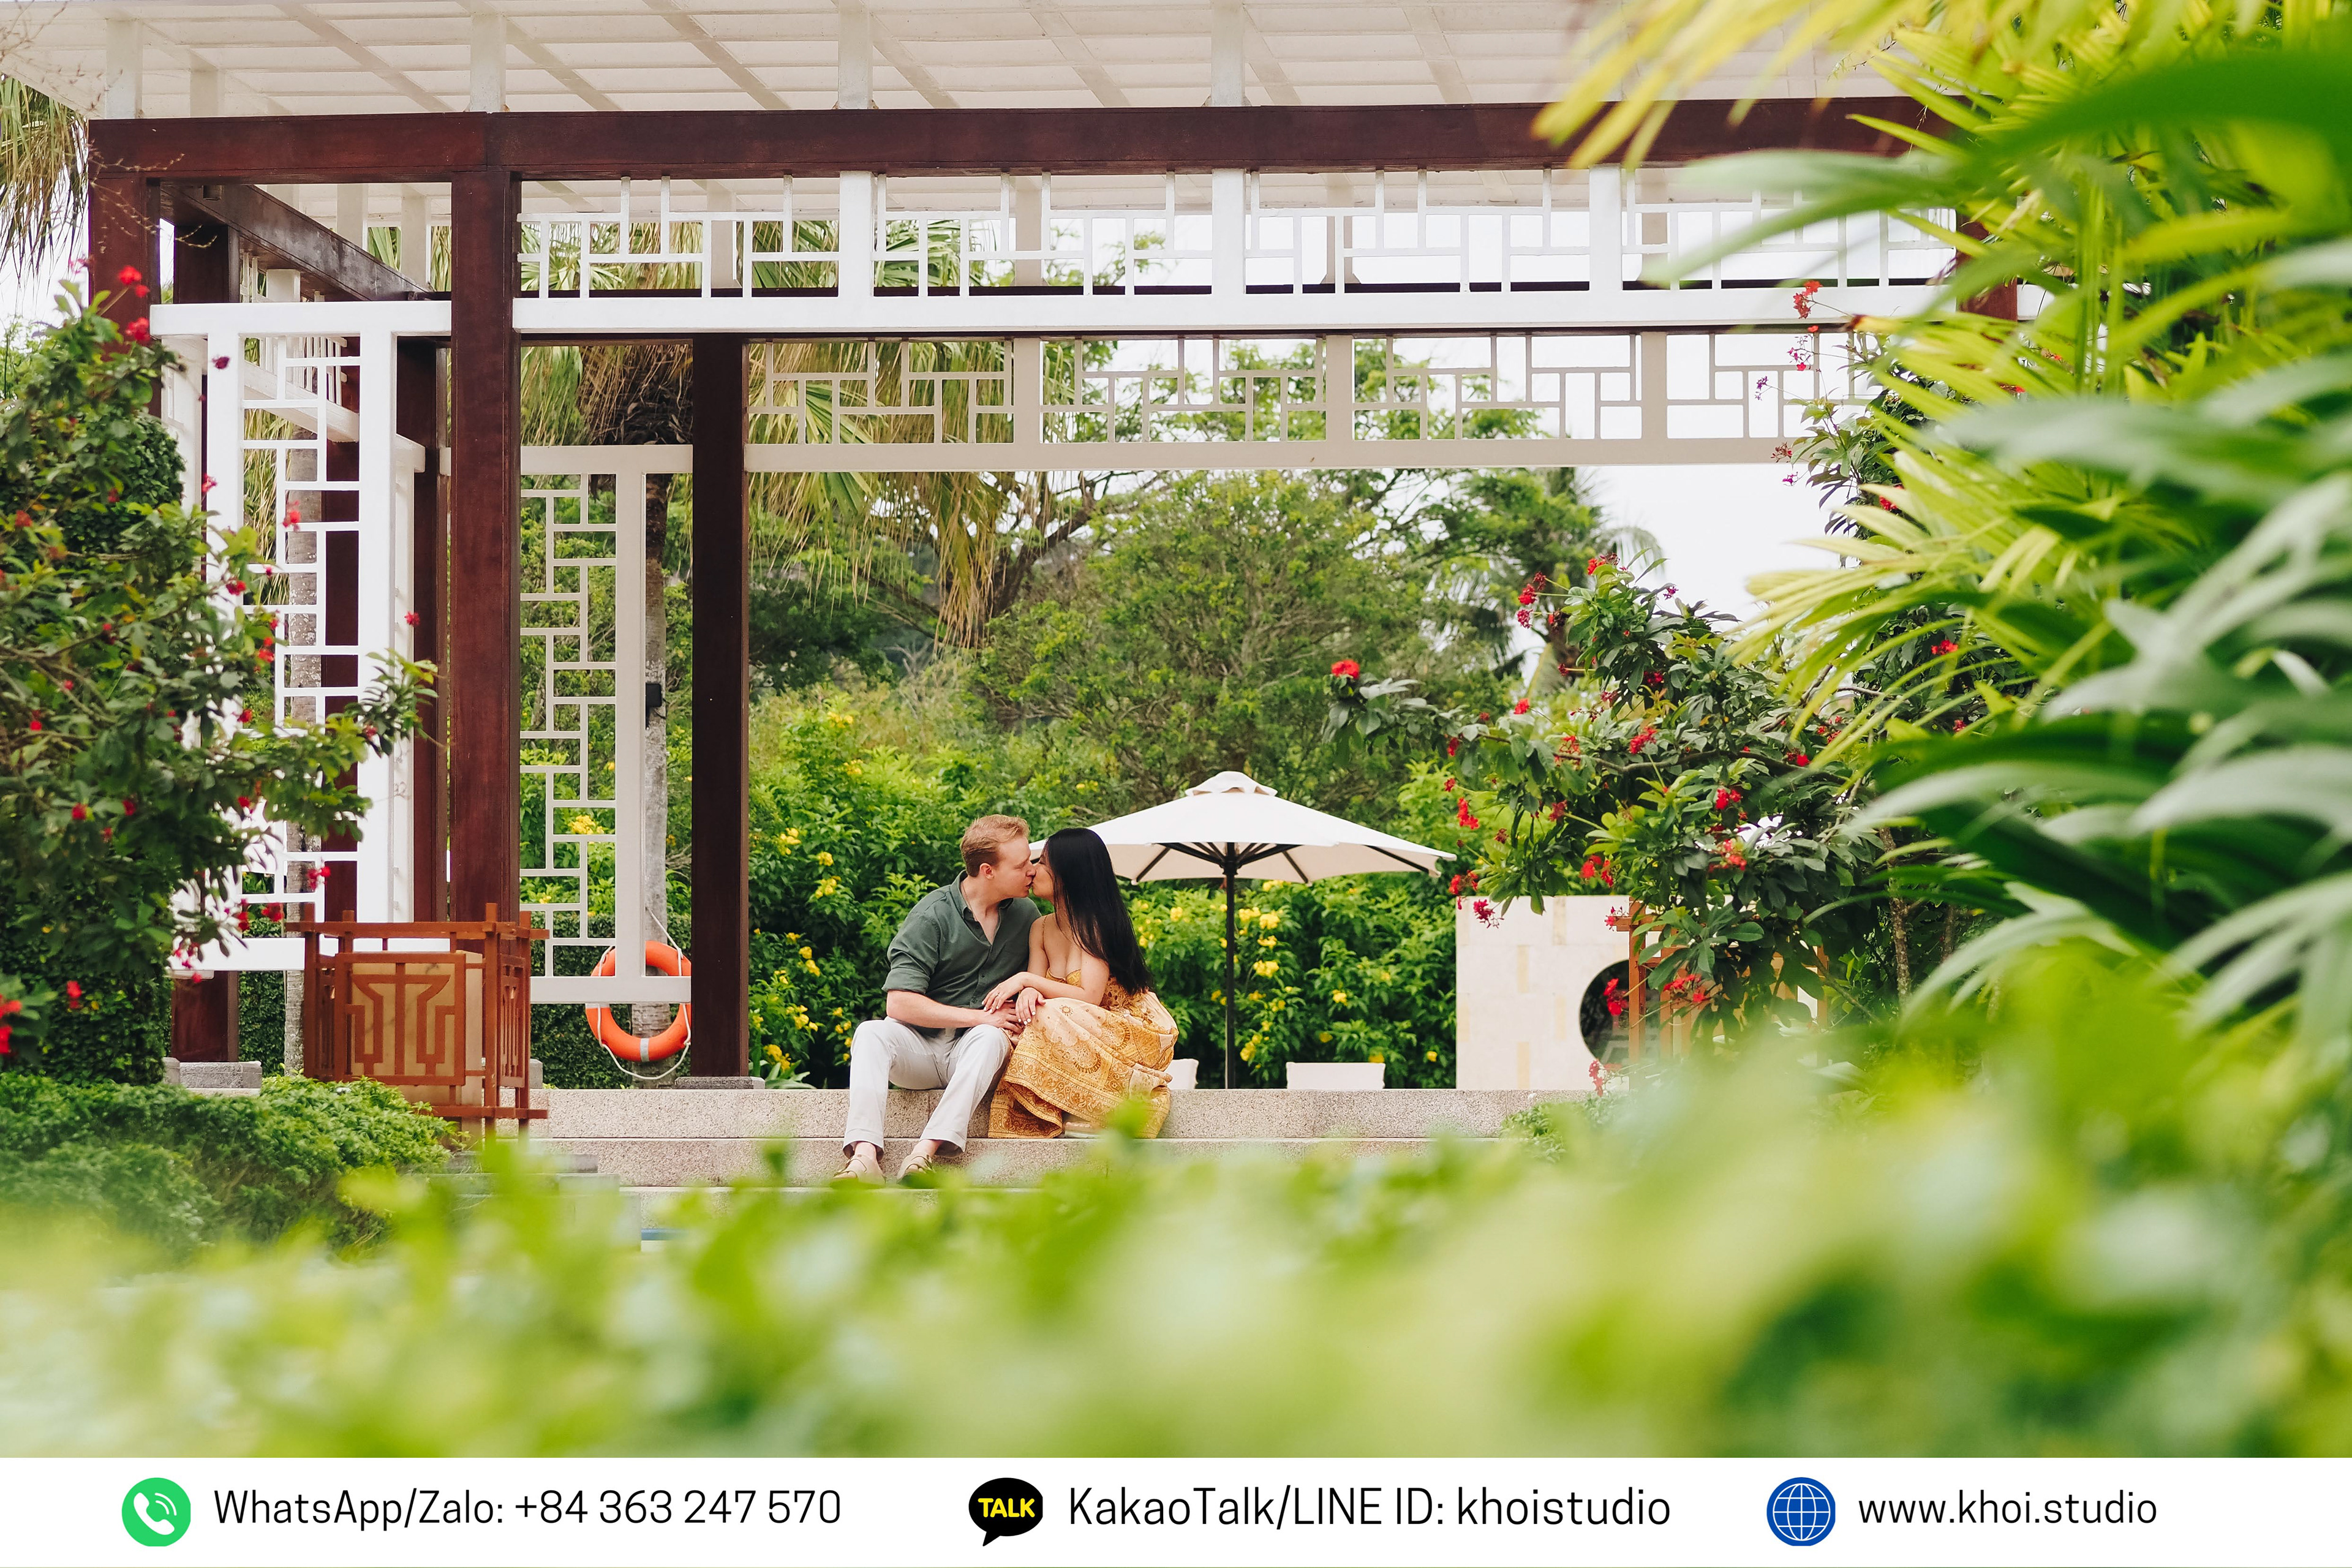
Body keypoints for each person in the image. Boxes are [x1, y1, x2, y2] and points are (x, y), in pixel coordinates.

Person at [839, 814, 1039, 1183]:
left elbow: (1044, 973)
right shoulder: (932, 916)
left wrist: (1030, 986)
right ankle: (865, 1158)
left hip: (977, 1054)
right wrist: (979, 1016)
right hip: (918, 1050)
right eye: (1022, 864)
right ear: (987, 871)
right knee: (869, 1032)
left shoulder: (1027, 915)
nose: (1033, 870)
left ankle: (923, 1155)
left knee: (992, 1036)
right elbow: (898, 1004)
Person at [982, 827, 1180, 1140]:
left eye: (1044, 862)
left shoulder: (1094, 924)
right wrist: (1030, 990)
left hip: (1129, 1028)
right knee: (1012, 1024)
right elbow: (1038, 986)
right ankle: (1054, 1103)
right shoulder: (1041, 927)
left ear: (1068, 872)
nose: (1033, 870)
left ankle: (1096, 1104)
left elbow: (1089, 996)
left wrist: (1024, 980)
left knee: (1047, 1013)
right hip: (1077, 1027)